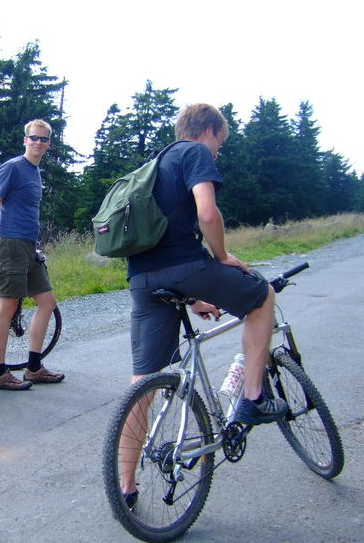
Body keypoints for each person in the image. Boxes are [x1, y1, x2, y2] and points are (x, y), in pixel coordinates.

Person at [119, 103, 288, 506]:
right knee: (262, 296)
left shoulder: (155, 164)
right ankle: (252, 396)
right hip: (183, 266)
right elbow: (207, 212)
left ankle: (125, 483)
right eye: (221, 144)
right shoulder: (193, 152)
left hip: (142, 277)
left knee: (142, 380)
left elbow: (162, 236)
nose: (218, 153)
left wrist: (194, 297)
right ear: (208, 131)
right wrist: (223, 256)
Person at [0, 119, 65, 391]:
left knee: (47, 301)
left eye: (43, 139)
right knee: (8, 305)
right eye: (33, 138)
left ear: (49, 144)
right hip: (10, 242)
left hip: (28, 245)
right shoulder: (12, 167)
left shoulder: (35, 173)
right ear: (25, 140)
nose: (38, 142)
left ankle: (33, 368)